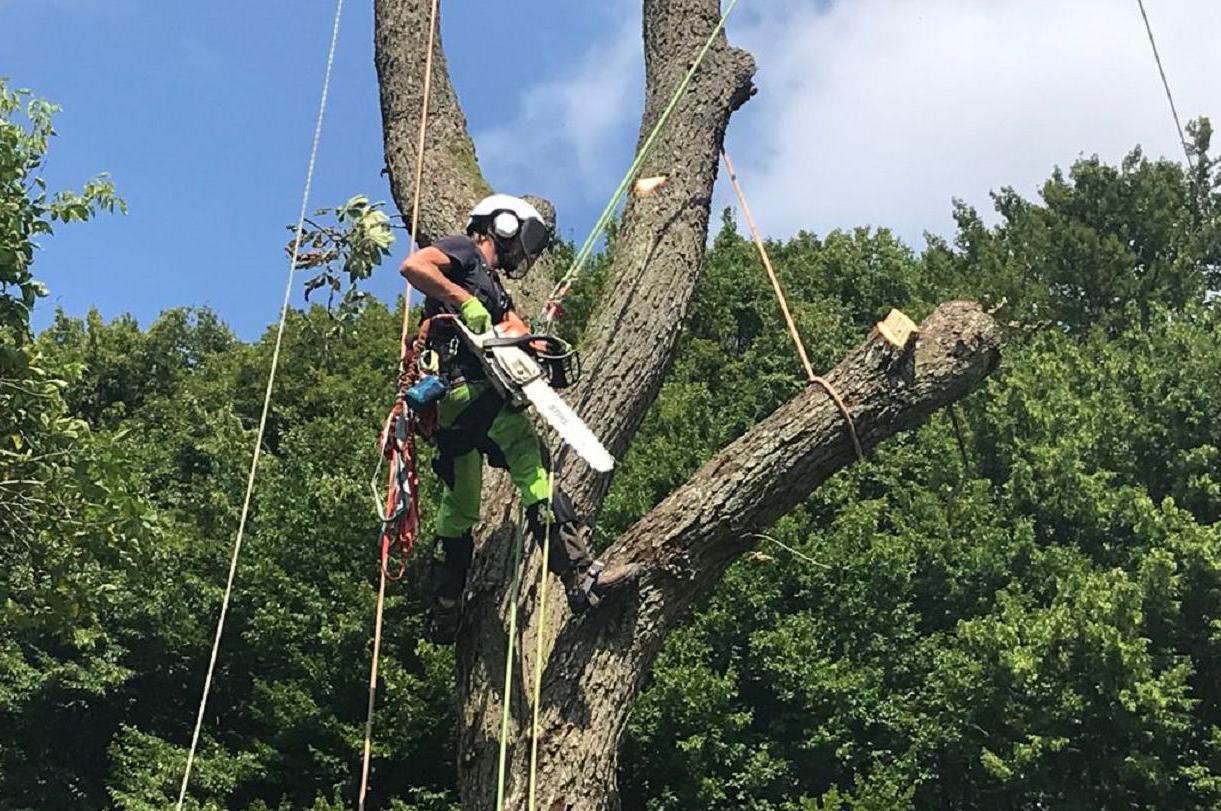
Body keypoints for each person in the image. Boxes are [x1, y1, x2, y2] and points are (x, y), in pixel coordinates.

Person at [400, 193, 635, 644]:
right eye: (521, 241)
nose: (520, 254)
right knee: (534, 467)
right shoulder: (464, 251)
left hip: (456, 415)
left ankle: (444, 610)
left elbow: (514, 328)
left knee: (461, 507)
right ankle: (581, 575)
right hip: (470, 390)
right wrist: (461, 297)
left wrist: (537, 346)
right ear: (504, 226)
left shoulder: (497, 289)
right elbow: (414, 268)